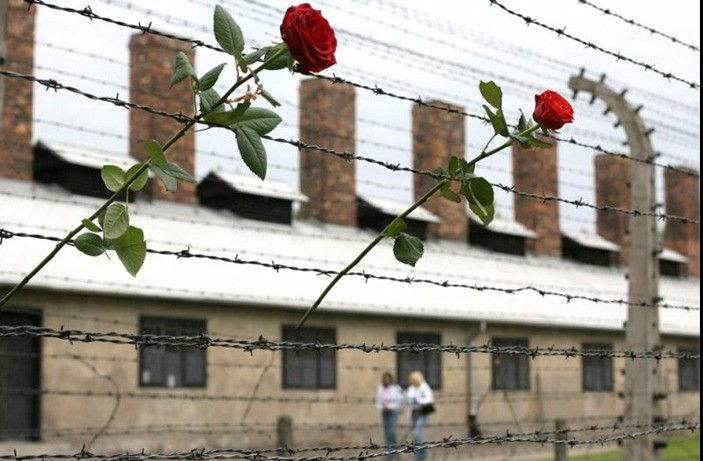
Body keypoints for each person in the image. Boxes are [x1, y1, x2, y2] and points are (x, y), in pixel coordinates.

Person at [406, 370, 434, 461]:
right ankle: (418, 455)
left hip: (422, 413)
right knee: (416, 435)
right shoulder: (411, 388)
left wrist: (419, 400)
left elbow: (429, 399)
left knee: (417, 433)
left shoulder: (424, 387)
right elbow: (409, 401)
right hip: (414, 414)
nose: (412, 380)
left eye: (414, 379)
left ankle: (423, 452)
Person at [375, 371, 403, 452]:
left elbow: (399, 400)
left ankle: (394, 449)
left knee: (392, 432)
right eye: (385, 379)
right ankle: (390, 451)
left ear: (391, 379)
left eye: (388, 379)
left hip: (393, 412)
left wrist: (390, 406)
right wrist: (381, 407)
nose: (387, 380)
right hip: (384, 412)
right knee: (386, 432)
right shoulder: (380, 387)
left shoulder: (396, 388)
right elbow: (378, 400)